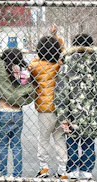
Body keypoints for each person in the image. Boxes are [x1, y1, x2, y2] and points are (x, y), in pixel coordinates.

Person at [54, 33, 97, 180]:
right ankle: (87, 170)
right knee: (89, 144)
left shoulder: (66, 67)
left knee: (72, 143)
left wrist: (63, 118)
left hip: (73, 114)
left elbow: (61, 95)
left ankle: (72, 169)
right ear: (91, 46)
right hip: (93, 115)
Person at [0, 23, 34, 178]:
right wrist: (21, 100)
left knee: (2, 144)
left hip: (3, 110)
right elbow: (32, 92)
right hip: (17, 112)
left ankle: (2, 173)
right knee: (16, 145)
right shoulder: (25, 73)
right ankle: (17, 174)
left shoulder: (1, 68)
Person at [28, 24, 68, 179]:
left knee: (43, 138)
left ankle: (44, 167)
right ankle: (63, 169)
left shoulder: (35, 65)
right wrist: (56, 37)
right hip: (60, 107)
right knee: (59, 138)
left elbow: (35, 60)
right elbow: (63, 53)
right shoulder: (59, 65)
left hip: (45, 109)